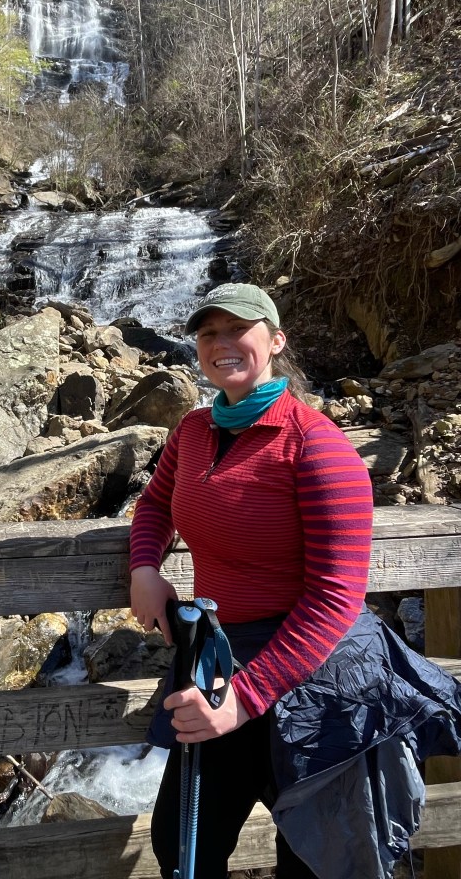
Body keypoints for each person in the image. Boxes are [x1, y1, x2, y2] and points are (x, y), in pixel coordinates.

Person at [129, 282, 461, 879]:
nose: (222, 343)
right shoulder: (193, 431)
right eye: (209, 333)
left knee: (313, 856)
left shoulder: (317, 445)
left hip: (316, 674)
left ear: (276, 341)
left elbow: (335, 598)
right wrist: (145, 567)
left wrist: (244, 701)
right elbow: (155, 503)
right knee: (182, 842)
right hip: (221, 656)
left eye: (239, 329)